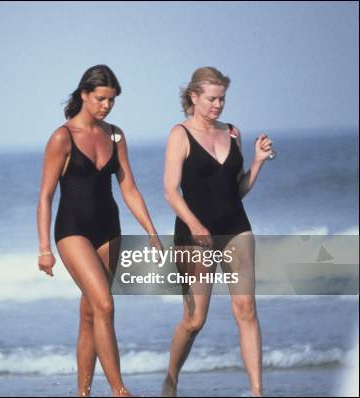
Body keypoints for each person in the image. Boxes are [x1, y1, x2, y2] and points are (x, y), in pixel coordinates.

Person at [37, 64, 162, 397]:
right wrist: (44, 249)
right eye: (101, 98)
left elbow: (129, 188)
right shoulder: (62, 137)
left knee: (91, 313)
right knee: (105, 305)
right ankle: (120, 390)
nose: (106, 105)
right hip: (72, 231)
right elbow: (46, 196)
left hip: (109, 229)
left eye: (112, 100)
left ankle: (83, 392)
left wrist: (150, 230)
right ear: (84, 94)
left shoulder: (116, 135)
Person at [161, 66, 273, 397]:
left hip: (236, 228)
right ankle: (171, 380)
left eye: (222, 98)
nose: (218, 105)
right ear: (193, 97)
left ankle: (256, 391)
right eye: (211, 99)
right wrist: (196, 226)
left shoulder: (233, 132)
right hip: (194, 234)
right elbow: (170, 190)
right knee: (195, 320)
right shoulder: (179, 134)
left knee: (247, 309)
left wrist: (258, 161)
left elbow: (234, 190)